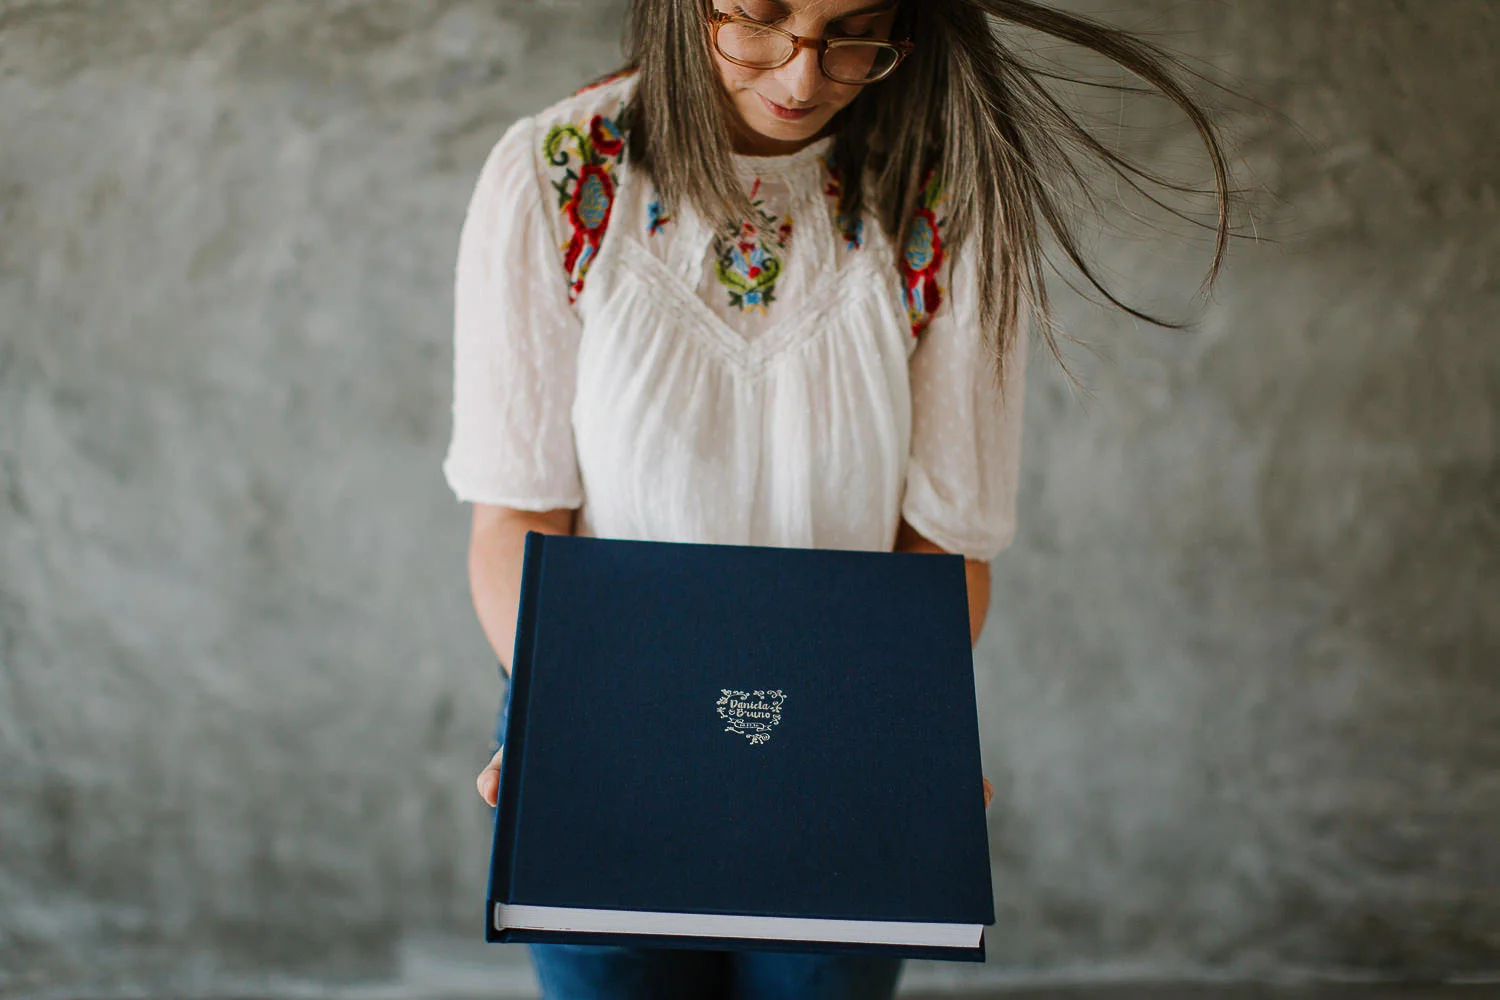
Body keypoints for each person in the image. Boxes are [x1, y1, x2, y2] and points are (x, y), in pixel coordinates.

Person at [442, 0, 1234, 995]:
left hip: (836, 738)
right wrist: (572, 715)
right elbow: (516, 517)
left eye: (855, 28)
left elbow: (943, 546)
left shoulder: (948, 197)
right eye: (759, 15)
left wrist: (904, 718)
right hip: (604, 722)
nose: (804, 75)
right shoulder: (556, 173)